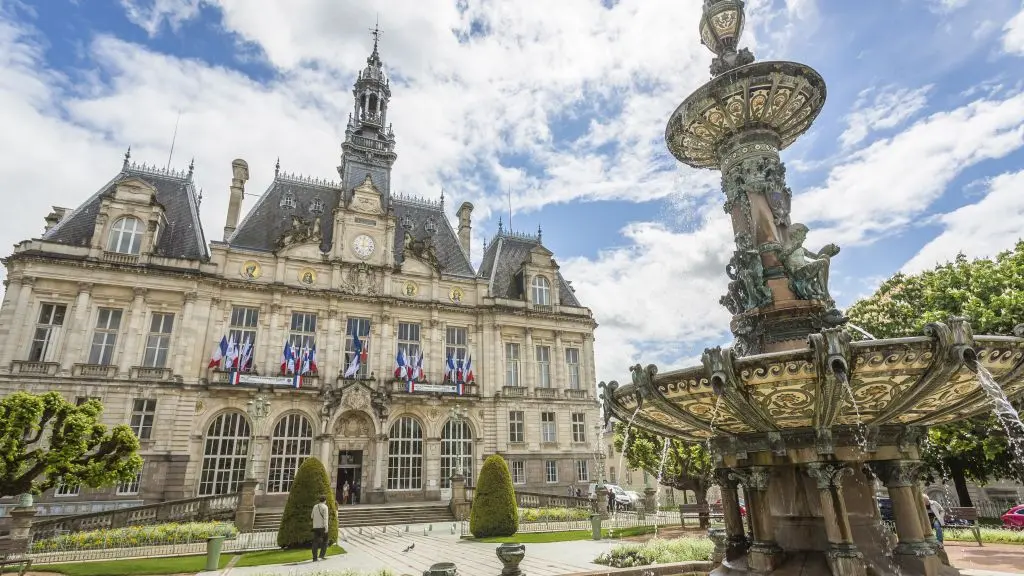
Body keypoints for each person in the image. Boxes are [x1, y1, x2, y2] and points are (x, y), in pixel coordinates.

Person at [311, 495, 329, 562]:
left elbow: (312, 516)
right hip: (322, 527)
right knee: (325, 541)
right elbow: (325, 518)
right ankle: (322, 555)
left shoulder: (315, 506)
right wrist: (326, 528)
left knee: (315, 542)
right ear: (325, 500)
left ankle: (314, 558)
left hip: (315, 527)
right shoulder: (325, 507)